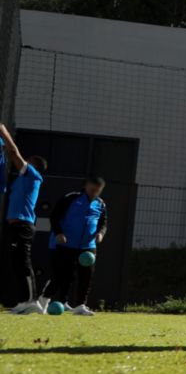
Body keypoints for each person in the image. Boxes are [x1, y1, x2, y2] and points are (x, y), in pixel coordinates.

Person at [0, 125, 47, 313]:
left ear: (34, 165)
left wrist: (3, 132)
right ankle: (27, 301)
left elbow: (13, 152)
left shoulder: (33, 176)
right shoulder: (22, 180)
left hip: (23, 226)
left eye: (29, 161)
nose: (24, 161)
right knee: (18, 263)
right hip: (17, 226)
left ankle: (29, 301)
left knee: (23, 262)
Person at [47, 177, 108, 315]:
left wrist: (100, 234)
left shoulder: (101, 204)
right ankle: (61, 301)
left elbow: (103, 223)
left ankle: (81, 305)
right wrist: (59, 233)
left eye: (97, 191)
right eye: (92, 189)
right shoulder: (71, 198)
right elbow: (55, 216)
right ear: (86, 186)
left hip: (88, 246)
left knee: (86, 276)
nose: (94, 193)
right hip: (67, 244)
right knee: (65, 275)